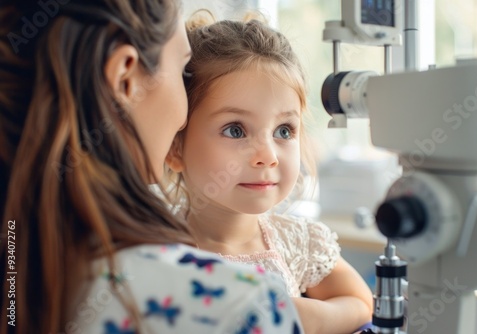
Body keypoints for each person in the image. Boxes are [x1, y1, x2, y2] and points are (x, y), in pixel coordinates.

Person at [0, 1, 304, 333]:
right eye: (182, 68)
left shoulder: (18, 265)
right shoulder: (242, 306)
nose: (184, 116)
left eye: (285, 131)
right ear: (125, 79)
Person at [166, 12, 374, 334]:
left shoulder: (299, 242)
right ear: (176, 147)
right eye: (235, 130)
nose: (268, 156)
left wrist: (306, 316)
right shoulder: (156, 249)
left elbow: (359, 302)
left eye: (284, 130)